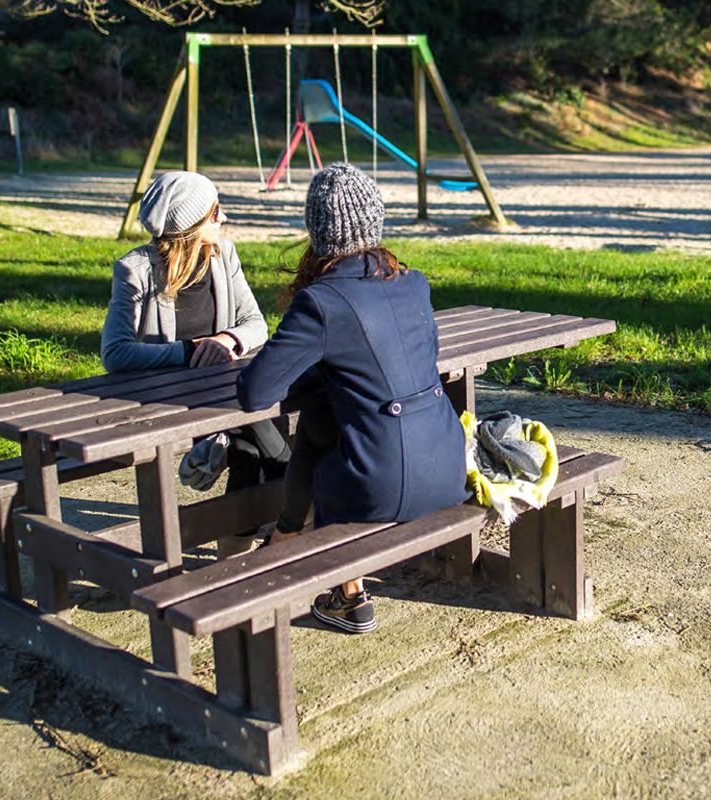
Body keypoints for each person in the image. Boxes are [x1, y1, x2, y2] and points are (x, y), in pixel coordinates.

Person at [236, 163, 471, 633]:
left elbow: (255, 393)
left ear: (317, 231)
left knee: (325, 434)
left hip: (379, 489)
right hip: (448, 470)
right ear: (375, 220)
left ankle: (284, 542)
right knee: (327, 418)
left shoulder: (321, 302)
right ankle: (346, 592)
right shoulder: (413, 283)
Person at [101, 171, 290, 551]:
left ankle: (234, 560)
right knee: (275, 454)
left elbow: (256, 325)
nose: (223, 218)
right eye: (215, 211)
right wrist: (189, 351)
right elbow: (115, 352)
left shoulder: (223, 255)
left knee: (250, 452)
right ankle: (293, 526)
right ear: (189, 225)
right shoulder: (135, 270)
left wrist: (227, 340)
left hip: (224, 390)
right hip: (172, 400)